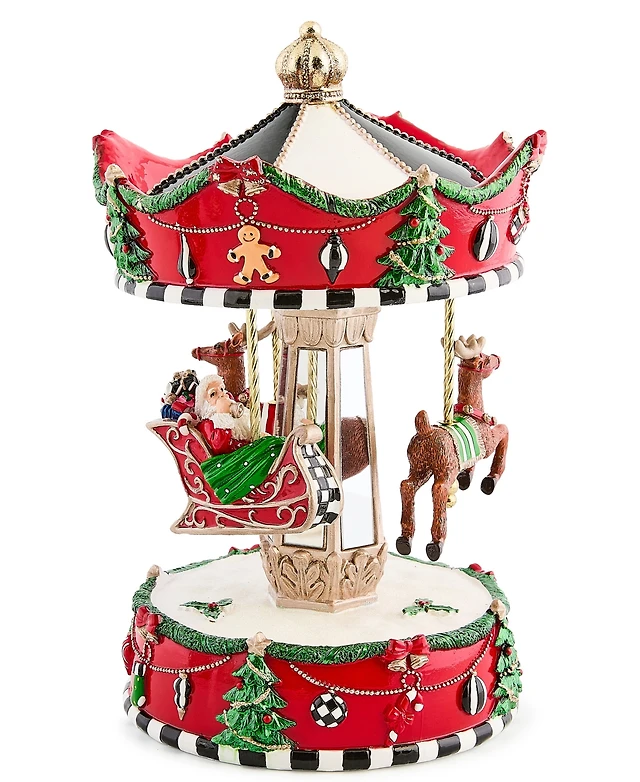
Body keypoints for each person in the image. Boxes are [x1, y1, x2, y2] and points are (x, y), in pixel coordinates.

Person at [180, 374, 251, 455]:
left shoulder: (234, 416)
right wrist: (222, 413)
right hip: (233, 458)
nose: (221, 394)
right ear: (205, 403)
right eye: (213, 394)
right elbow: (219, 447)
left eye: (221, 389)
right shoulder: (208, 423)